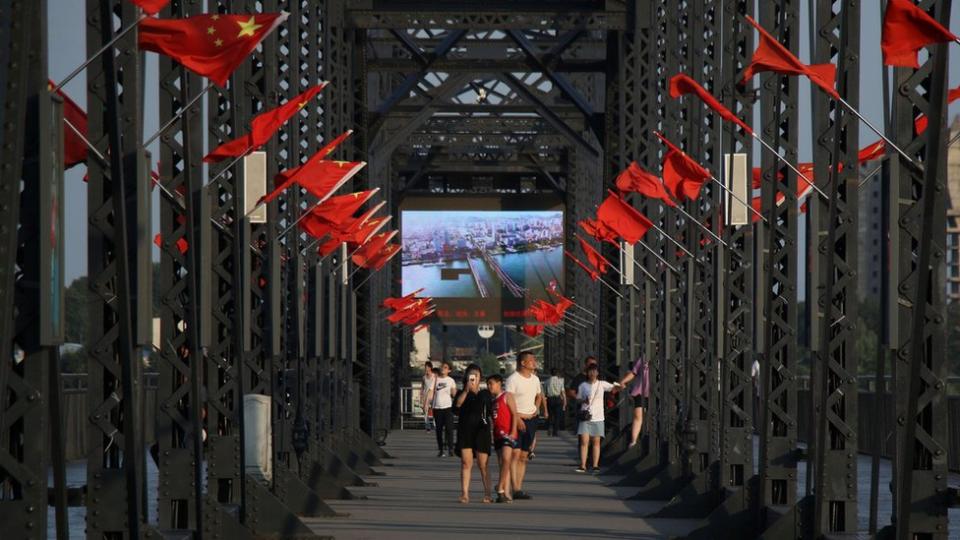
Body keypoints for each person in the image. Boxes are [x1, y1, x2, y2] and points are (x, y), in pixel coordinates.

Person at [505, 351, 544, 499]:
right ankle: (514, 488)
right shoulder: (513, 379)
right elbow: (508, 400)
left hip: (531, 420)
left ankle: (518, 488)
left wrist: (536, 408)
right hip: (516, 419)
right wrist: (517, 418)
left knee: (523, 455)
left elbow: (539, 395)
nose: (534, 362)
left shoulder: (535, 379)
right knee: (514, 454)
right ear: (523, 363)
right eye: (531, 360)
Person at [454, 364, 493, 503]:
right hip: (465, 431)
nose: (473, 379)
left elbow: (488, 409)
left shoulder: (485, 393)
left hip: (481, 431)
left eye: (476, 376)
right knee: (466, 463)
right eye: (471, 376)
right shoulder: (461, 393)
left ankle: (488, 493)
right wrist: (466, 390)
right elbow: (457, 406)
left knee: (483, 464)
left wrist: (476, 391)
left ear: (480, 378)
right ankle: (464, 493)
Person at [575, 364, 618, 473]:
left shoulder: (602, 384)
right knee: (584, 442)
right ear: (587, 373)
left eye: (595, 371)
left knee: (596, 442)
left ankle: (595, 465)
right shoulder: (583, 385)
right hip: (586, 417)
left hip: (598, 417)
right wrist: (584, 400)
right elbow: (577, 399)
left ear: (598, 373)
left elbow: (614, 389)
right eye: (590, 371)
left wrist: (620, 385)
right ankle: (583, 465)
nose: (593, 373)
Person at [487, 373, 519, 503]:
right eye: (488, 384)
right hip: (497, 434)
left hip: (508, 434)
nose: (489, 387)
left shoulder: (507, 396)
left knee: (506, 459)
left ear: (499, 384)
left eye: (491, 384)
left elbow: (514, 414)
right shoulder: (492, 401)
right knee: (502, 464)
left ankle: (500, 487)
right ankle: (503, 492)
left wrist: (513, 430)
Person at [617, 356, 649, 448]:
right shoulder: (643, 359)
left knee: (650, 416)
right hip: (640, 391)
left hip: (655, 392)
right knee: (638, 415)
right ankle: (634, 441)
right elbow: (634, 373)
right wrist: (623, 381)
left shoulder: (663, 358)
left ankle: (646, 437)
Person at [432, 361, 456, 457]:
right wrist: (426, 402)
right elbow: (432, 392)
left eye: (445, 367)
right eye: (442, 367)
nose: (443, 368)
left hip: (448, 407)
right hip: (437, 407)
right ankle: (441, 449)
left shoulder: (451, 381)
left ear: (449, 370)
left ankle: (451, 449)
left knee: (449, 429)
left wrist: (456, 394)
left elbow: (453, 394)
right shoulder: (435, 380)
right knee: (438, 430)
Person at [545, 368, 566, 436]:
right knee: (557, 416)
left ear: (551, 373)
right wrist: (565, 402)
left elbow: (545, 392)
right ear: (557, 373)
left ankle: (549, 427)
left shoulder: (547, 381)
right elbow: (562, 392)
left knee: (550, 415)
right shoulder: (560, 381)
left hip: (550, 399)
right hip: (558, 399)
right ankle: (555, 431)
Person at [421, 360, 436, 432]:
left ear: (430, 368)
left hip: (433, 395)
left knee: (435, 410)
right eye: (425, 367)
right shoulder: (424, 377)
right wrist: (421, 396)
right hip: (425, 395)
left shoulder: (434, 376)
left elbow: (434, 387)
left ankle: (435, 425)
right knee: (425, 411)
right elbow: (422, 387)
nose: (426, 368)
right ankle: (427, 426)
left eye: (427, 367)